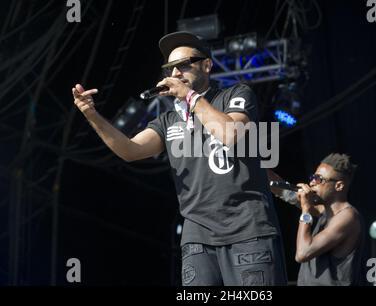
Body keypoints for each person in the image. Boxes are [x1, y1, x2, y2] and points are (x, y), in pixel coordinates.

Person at [72, 31, 287, 286]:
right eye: (170, 68)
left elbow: (230, 133)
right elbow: (129, 150)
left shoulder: (235, 95)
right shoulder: (167, 121)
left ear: (206, 65)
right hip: (198, 236)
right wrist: (91, 115)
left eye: (184, 64)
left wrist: (190, 97)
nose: (175, 73)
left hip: (247, 229)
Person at [269, 153, 364, 286]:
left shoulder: (347, 217)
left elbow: (302, 253)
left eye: (319, 179)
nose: (312, 182)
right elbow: (286, 193)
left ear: (339, 186)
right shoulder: (324, 210)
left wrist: (306, 209)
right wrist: (256, 168)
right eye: (313, 177)